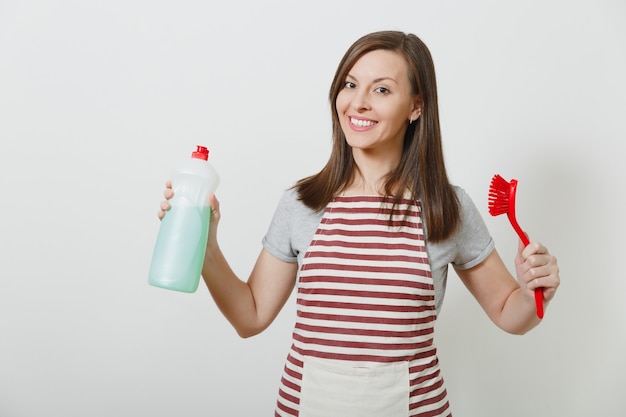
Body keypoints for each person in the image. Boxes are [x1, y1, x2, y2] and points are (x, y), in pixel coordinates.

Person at [157, 30, 560, 417]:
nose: (358, 102)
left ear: (416, 106)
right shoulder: (302, 203)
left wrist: (531, 294)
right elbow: (251, 316)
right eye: (350, 85)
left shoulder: (445, 207)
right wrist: (204, 246)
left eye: (381, 89)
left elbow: (511, 314)